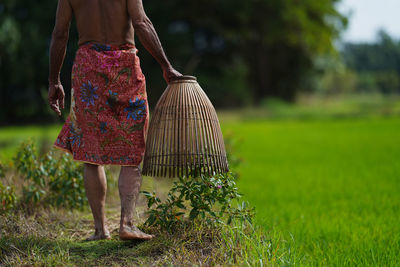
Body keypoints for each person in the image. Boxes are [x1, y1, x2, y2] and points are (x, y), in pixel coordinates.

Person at [48, 0, 182, 241]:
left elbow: (60, 34)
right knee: (133, 147)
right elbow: (141, 22)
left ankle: (100, 229)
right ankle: (127, 224)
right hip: (125, 65)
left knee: (91, 152)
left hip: (88, 68)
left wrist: (54, 81)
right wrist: (166, 67)